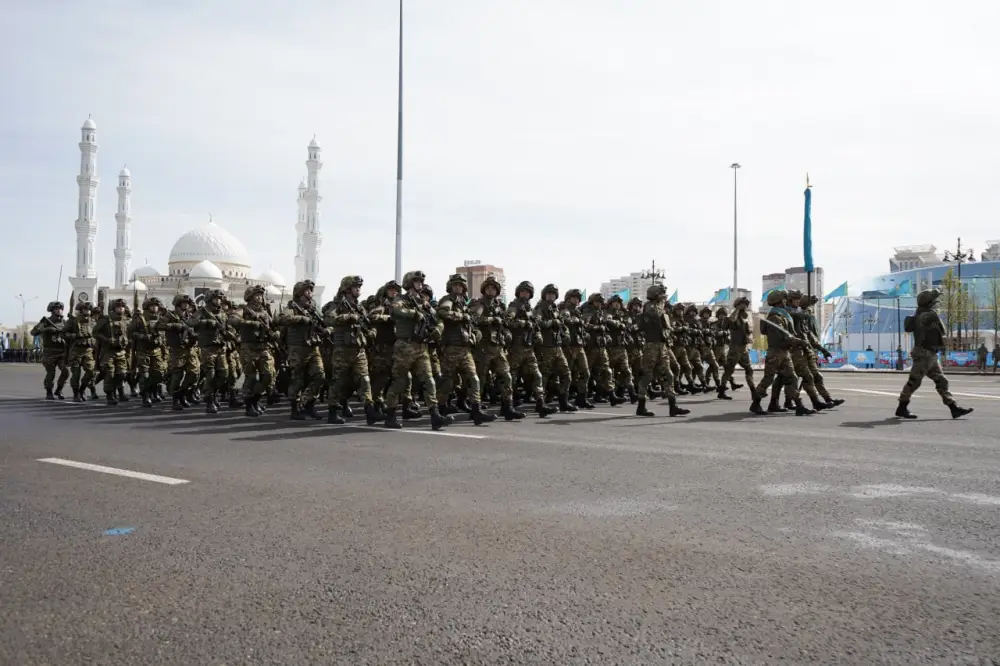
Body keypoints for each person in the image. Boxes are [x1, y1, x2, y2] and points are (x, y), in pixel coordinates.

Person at [896, 289, 972, 419]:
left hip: (928, 353)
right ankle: (902, 407)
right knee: (914, 381)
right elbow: (942, 330)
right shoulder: (929, 315)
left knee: (941, 380)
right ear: (928, 302)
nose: (936, 303)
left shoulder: (919, 314)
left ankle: (954, 408)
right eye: (933, 301)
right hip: (925, 354)